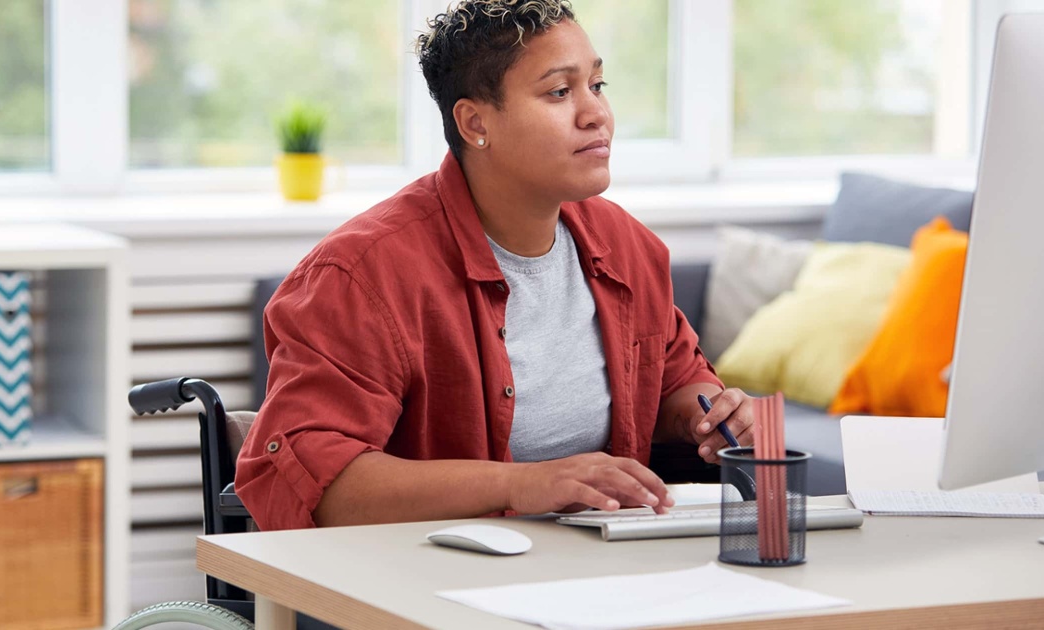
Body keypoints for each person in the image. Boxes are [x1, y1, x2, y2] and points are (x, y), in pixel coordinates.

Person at [236, 0, 756, 531]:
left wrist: (708, 415)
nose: (596, 113)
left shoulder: (628, 247)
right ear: (475, 122)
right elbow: (319, 483)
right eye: (559, 91)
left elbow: (675, 379)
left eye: (597, 86)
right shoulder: (358, 276)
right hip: (427, 580)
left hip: (602, 567)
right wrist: (521, 485)